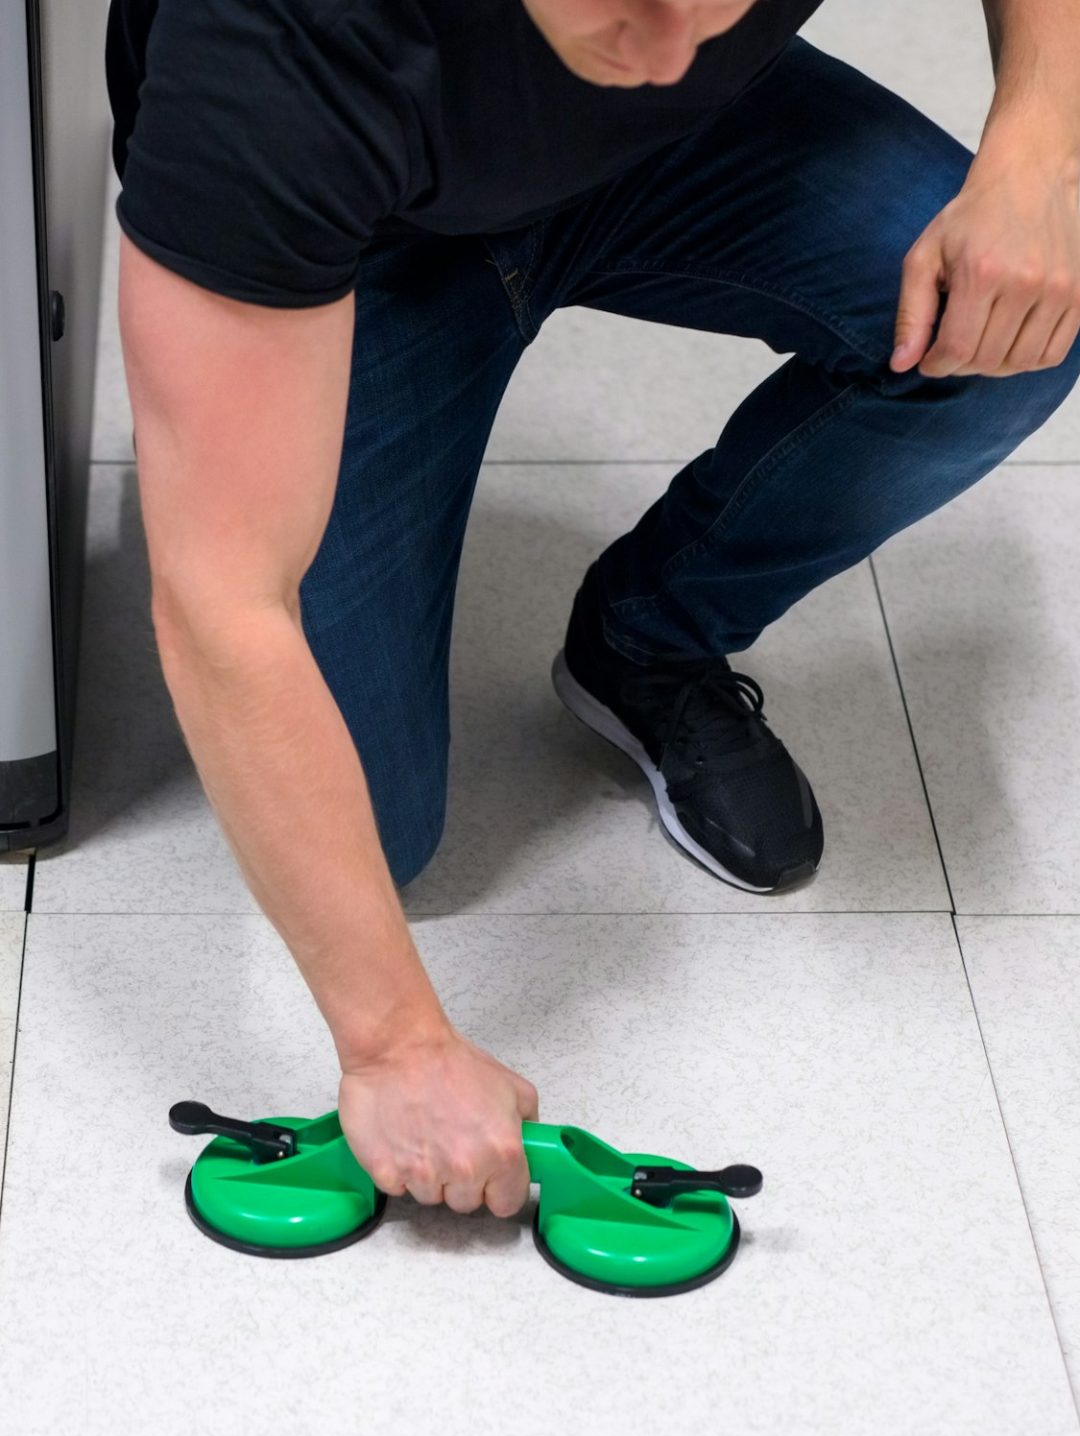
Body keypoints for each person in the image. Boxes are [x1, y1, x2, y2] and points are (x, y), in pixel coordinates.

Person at [107, 0, 1080, 1218]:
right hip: (373, 241)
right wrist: (396, 1049)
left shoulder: (665, 57)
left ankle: (646, 640)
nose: (670, 47)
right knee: (379, 837)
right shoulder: (275, 46)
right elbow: (218, 596)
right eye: (627, 2)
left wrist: (1044, 143)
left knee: (1018, 331)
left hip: (675, 154)